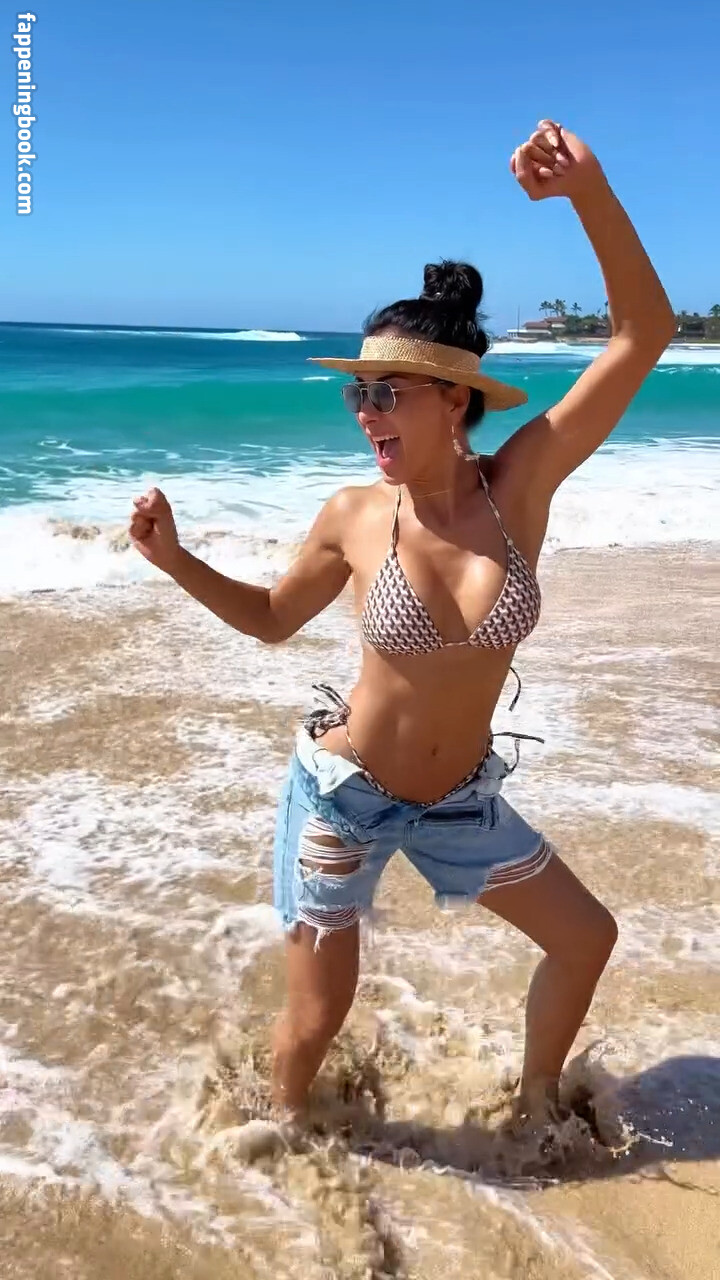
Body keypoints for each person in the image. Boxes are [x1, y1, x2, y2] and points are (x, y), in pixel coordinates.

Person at [129, 120, 675, 1129]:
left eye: (387, 392)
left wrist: (588, 192)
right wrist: (176, 560)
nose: (364, 410)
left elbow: (644, 333)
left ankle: (535, 1112)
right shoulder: (352, 514)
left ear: (455, 400)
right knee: (314, 1021)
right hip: (346, 800)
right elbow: (271, 619)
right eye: (357, 391)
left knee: (585, 936)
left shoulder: (521, 486)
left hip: (462, 800)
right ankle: (275, 1150)